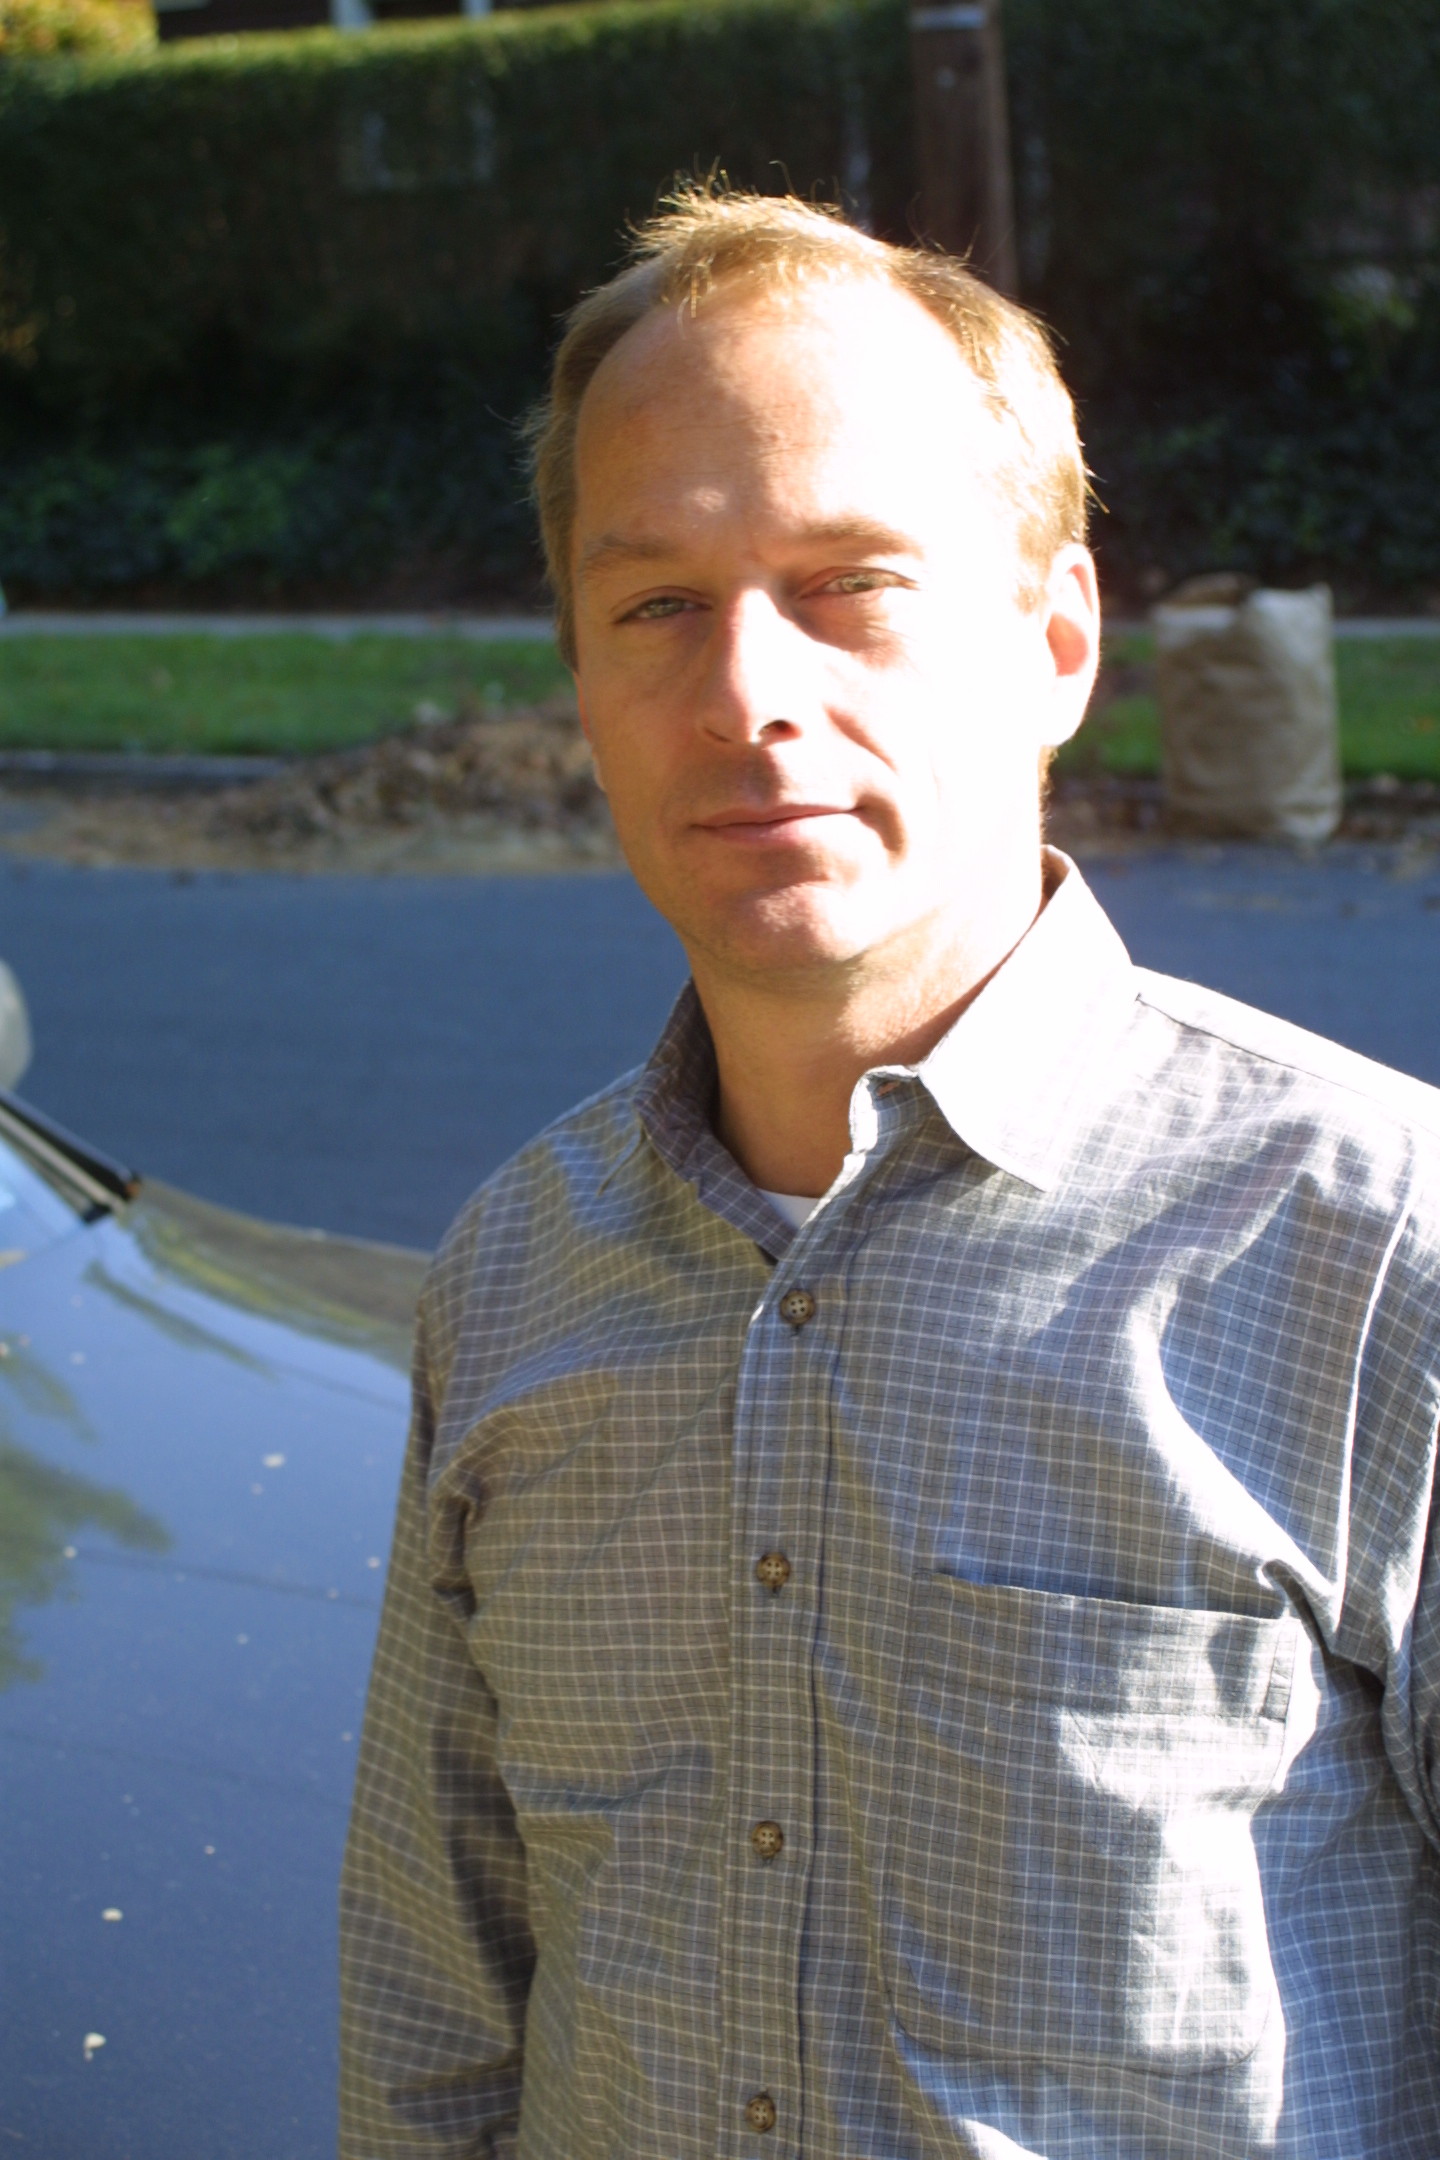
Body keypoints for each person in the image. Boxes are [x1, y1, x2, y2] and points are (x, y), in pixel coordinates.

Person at [339, 189, 1440, 2160]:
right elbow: (439, 2010)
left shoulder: (1374, 1255)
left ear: (1057, 641)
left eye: (848, 582)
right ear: (579, 678)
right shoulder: (514, 1274)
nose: (744, 695)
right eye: (656, 605)